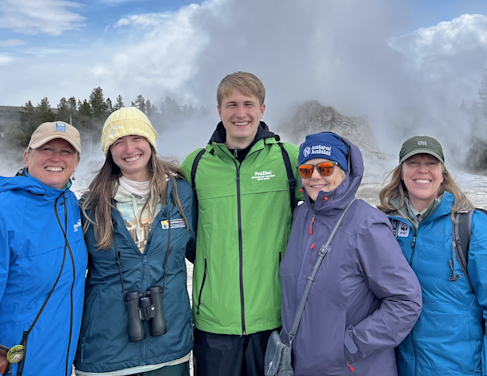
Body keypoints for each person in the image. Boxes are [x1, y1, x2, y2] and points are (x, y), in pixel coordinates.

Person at [180, 72, 302, 376]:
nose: (240, 113)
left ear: (262, 109)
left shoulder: (288, 159)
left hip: (274, 317)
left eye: (248, 104)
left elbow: (330, 201)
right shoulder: (196, 165)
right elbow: (185, 234)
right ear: (219, 110)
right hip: (214, 321)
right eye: (231, 104)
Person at [0, 121, 87, 376]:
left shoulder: (70, 206)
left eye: (66, 151)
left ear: (76, 162)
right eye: (46, 149)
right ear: (27, 156)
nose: (56, 158)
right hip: (16, 368)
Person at [279, 132, 422, 375]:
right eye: (306, 170)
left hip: (352, 367)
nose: (315, 176)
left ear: (344, 171)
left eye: (325, 168)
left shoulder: (367, 224)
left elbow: (406, 301)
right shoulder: (300, 218)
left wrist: (349, 346)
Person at [379, 136, 487, 375]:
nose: (422, 170)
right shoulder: (383, 225)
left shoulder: (472, 226)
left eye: (431, 163)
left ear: (442, 173)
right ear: (401, 173)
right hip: (398, 367)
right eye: (413, 163)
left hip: (458, 369)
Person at [75, 108, 196, 376]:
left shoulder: (181, 194)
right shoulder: (89, 205)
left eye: (137, 138)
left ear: (150, 142)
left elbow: (203, 252)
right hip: (105, 354)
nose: (129, 149)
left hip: (169, 349)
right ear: (109, 150)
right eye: (118, 142)